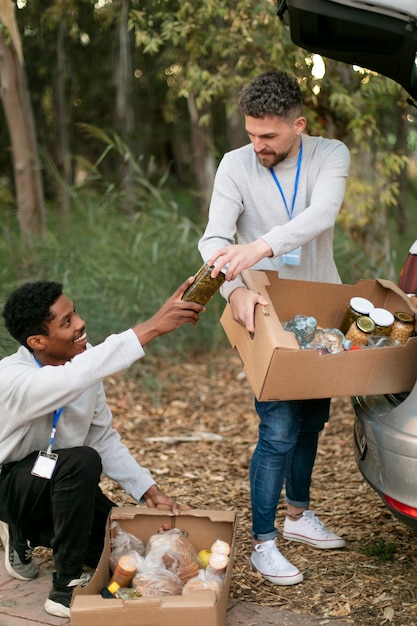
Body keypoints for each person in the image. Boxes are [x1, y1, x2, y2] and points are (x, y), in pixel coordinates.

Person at [198, 70, 350, 586]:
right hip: (261, 310)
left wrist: (259, 246)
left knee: (312, 424)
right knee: (279, 429)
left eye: (269, 136)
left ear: (298, 125)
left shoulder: (331, 155)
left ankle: (299, 516)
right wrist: (234, 288)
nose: (257, 145)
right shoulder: (234, 165)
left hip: (321, 308)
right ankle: (265, 543)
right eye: (250, 134)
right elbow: (214, 239)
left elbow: (323, 213)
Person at [0, 278, 205, 617]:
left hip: (58, 482)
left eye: (75, 313)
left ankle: (35, 532)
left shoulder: (84, 362)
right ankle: (63, 585)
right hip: (12, 486)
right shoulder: (12, 379)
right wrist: (152, 327)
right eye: (66, 322)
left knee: (118, 551)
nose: (80, 324)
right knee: (81, 461)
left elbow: (101, 437)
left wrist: (146, 488)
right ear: (37, 341)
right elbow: (69, 380)